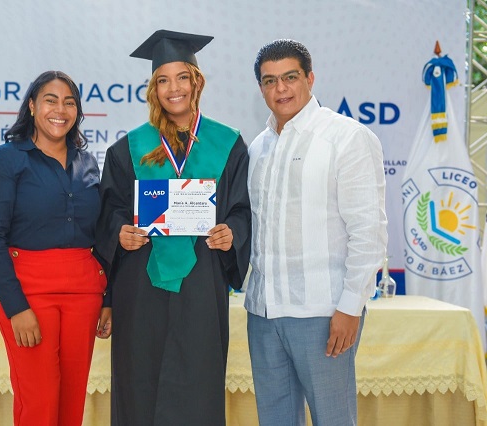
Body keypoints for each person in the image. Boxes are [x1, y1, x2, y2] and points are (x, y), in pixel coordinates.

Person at [96, 30, 251, 425]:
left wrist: (231, 231)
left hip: (201, 281)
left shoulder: (228, 144)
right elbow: (109, 210)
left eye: (182, 77)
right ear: (153, 89)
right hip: (140, 283)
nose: (173, 88)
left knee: (197, 382)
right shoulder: (127, 148)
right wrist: (119, 232)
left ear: (197, 82)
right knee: (139, 380)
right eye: (162, 80)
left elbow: (242, 209)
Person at [245, 39, 388, 425]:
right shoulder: (258, 148)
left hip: (323, 313)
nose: (281, 89)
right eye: (269, 81)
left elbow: (368, 230)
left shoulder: (347, 137)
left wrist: (349, 306)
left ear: (310, 77)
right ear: (261, 88)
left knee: (333, 419)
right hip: (263, 312)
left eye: (290, 77)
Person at [0, 70, 110, 426]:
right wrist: (15, 307)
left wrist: (108, 298)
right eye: (50, 100)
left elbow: (101, 236)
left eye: (70, 102)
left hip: (84, 291)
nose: (60, 109)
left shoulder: (88, 162)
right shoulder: (5, 159)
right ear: (32, 105)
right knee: (38, 399)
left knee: (72, 399)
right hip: (29, 292)